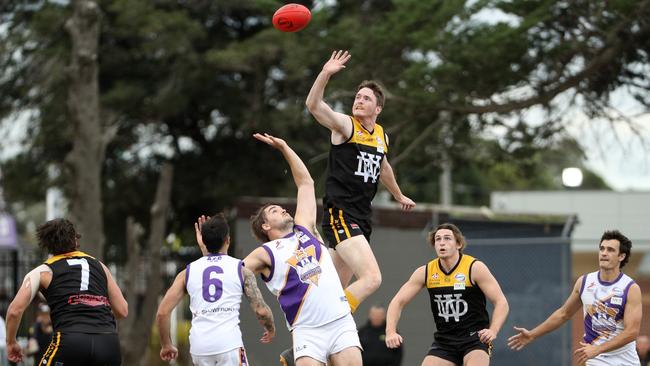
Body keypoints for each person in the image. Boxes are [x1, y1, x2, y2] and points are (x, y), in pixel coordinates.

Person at [305, 50, 416, 313]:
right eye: (357, 96)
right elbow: (313, 105)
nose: (359, 100)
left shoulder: (381, 136)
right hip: (341, 214)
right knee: (372, 278)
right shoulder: (345, 125)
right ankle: (336, 322)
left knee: (329, 291)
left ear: (378, 108)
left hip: (361, 217)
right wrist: (325, 74)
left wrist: (399, 195)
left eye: (366, 98)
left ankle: (309, 335)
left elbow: (383, 166)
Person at [244, 133, 362, 366]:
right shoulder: (266, 252)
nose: (283, 210)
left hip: (340, 321)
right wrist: (261, 307)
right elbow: (238, 271)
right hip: (307, 330)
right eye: (275, 211)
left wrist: (285, 147)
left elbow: (306, 183)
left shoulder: (303, 228)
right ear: (266, 226)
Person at [508, 230, 642, 366]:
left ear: (621, 256)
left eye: (610, 250)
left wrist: (598, 349)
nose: (604, 253)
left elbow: (631, 332)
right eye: (602, 248)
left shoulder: (630, 288)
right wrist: (532, 334)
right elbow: (563, 314)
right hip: (596, 361)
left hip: (625, 362)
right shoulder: (584, 282)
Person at [156, 213, 275, 365]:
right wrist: (270, 329)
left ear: (203, 241)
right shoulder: (241, 269)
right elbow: (261, 311)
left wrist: (166, 345)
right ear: (228, 240)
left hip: (200, 348)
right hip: (228, 345)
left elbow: (162, 313)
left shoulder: (187, 273)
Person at [5, 218, 128, 365]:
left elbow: (14, 311)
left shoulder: (43, 271)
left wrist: (11, 342)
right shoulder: (100, 266)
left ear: (47, 245)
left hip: (71, 340)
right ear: (75, 240)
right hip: (108, 343)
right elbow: (122, 310)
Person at [385, 223, 509, 366]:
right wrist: (390, 332)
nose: (442, 243)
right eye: (438, 239)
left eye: (447, 238)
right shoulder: (426, 272)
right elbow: (397, 302)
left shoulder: (474, 267)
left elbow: (501, 302)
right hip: (445, 341)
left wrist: (493, 330)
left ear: (459, 244)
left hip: (475, 339)